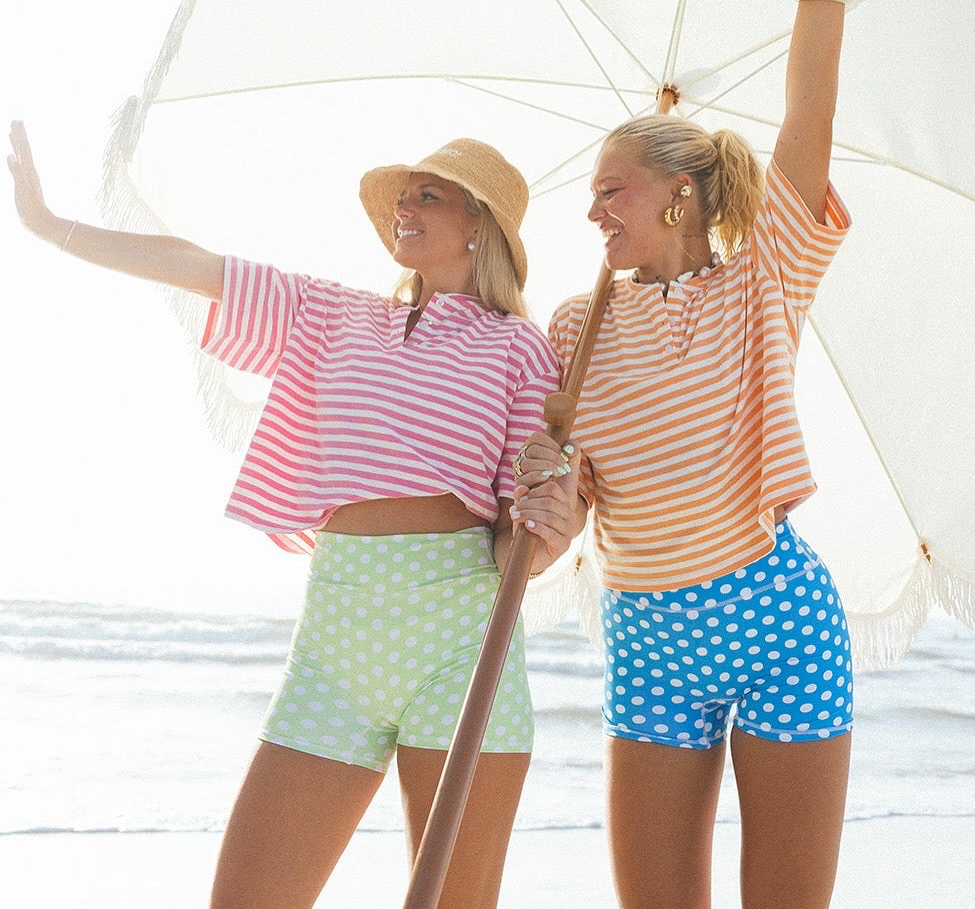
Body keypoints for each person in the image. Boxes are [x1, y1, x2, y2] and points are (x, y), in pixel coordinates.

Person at [7, 129, 575, 909]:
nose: (404, 207)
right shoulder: (333, 315)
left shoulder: (520, 349)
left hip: (461, 645)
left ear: (479, 223)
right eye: (402, 194)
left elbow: (519, 549)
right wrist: (51, 226)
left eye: (428, 194)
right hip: (336, 640)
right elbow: (197, 265)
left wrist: (549, 526)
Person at [513, 0, 855, 909]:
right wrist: (543, 506)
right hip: (644, 634)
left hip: (775, 616)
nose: (591, 210)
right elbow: (571, 506)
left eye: (610, 189)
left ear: (679, 193)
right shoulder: (575, 326)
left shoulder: (763, 276)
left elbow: (807, 122)